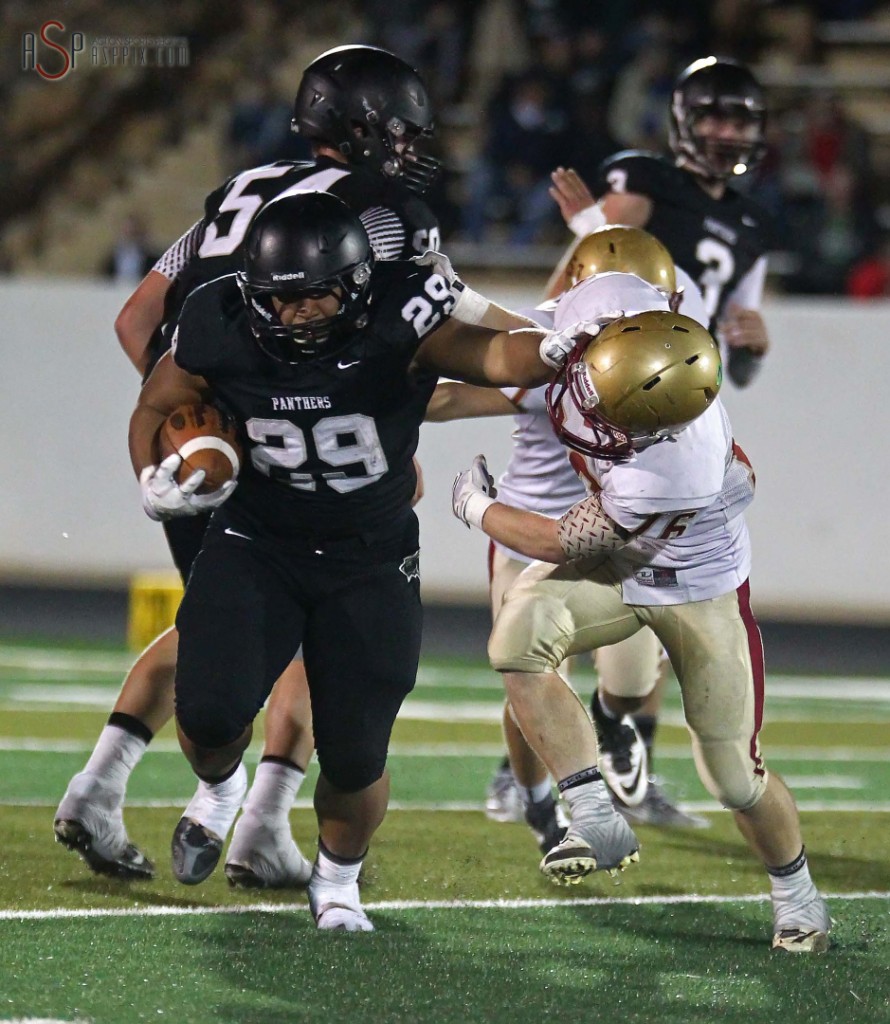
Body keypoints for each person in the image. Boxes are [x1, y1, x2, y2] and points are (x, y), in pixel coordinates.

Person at [130, 189, 587, 930]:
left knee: (355, 751)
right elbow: (156, 406)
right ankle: (218, 789)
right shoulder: (218, 323)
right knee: (208, 716)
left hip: (369, 556)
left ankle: (336, 882)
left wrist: (547, 350)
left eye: (315, 296)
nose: (298, 314)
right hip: (257, 540)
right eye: (282, 300)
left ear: (356, 287)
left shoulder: (396, 317)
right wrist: (152, 479)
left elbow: (486, 353)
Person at [54, 44, 445, 889]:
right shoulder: (386, 215)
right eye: (402, 131)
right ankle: (259, 820)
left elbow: (136, 321)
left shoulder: (242, 190)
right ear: (367, 129)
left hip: (205, 457)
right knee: (303, 627)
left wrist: (198, 431)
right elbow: (387, 349)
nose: (412, 147)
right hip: (283, 468)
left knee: (217, 631)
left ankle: (106, 784)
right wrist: (271, 429)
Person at [450, 285, 831, 953]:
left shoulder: (675, 467)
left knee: (733, 775)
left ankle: (798, 896)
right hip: (621, 567)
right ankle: (594, 812)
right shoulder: (611, 310)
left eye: (627, 421)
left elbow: (557, 541)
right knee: (518, 637)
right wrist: (453, 289)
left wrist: (476, 507)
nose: (603, 421)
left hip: (691, 585)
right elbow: (547, 311)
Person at [543, 55, 779, 826]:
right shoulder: (645, 178)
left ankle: (621, 741)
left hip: (692, 416)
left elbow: (731, 362)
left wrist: (751, 345)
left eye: (740, 119)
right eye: (715, 115)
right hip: (624, 410)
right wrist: (592, 230)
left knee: (674, 577)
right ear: (682, 119)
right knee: (630, 574)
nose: (727, 132)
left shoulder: (750, 221)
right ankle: (589, 747)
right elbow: (592, 270)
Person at [427, 225, 709, 848]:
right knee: (528, 669)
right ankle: (531, 797)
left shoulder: (668, 353)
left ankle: (610, 723)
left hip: (612, 539)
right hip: (531, 528)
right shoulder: (547, 344)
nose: (634, 321)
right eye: (622, 307)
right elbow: (451, 399)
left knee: (633, 683)